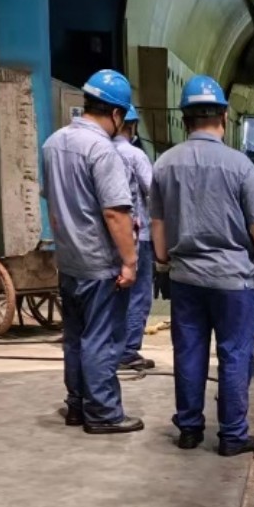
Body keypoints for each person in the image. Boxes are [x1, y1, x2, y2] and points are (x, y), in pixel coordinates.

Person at [150, 75, 254, 456]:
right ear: (224, 117)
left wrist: (162, 266)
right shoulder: (239, 166)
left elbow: (158, 224)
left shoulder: (165, 164)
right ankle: (232, 436)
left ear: (184, 120)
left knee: (189, 352)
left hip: (186, 279)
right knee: (234, 354)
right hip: (232, 282)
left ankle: (189, 429)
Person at [43, 69, 142, 434]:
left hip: (69, 261)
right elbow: (115, 212)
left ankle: (77, 405)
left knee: (75, 338)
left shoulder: (53, 143)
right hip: (99, 264)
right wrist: (130, 261)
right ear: (116, 114)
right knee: (101, 338)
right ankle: (102, 413)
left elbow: (54, 200)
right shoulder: (102, 150)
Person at [112, 104, 155, 371]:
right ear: (132, 125)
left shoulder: (99, 152)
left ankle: (111, 346)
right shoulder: (134, 155)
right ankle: (128, 351)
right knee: (138, 293)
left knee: (113, 293)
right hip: (139, 236)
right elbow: (153, 191)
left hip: (107, 237)